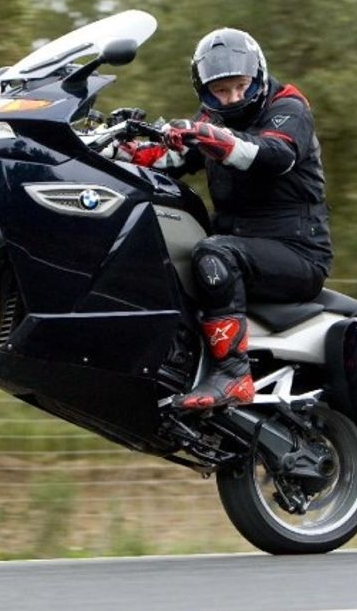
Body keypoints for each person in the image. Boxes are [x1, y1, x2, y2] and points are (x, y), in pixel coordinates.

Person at [117, 28, 332, 410]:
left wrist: (206, 135)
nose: (232, 97)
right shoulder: (211, 119)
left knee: (213, 254)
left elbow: (272, 155)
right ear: (205, 90)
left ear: (258, 77)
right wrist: (122, 148)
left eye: (241, 87)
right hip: (239, 245)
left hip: (297, 252)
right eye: (221, 90)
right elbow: (170, 160)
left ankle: (233, 375)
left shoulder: (289, 108)